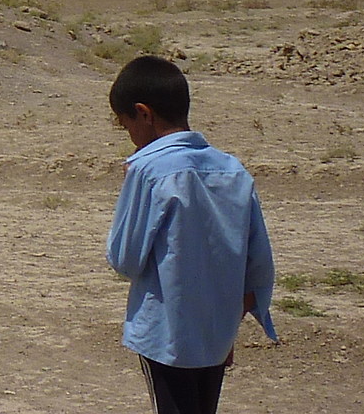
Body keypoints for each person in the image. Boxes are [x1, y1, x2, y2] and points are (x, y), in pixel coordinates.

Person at [105, 54, 276, 414]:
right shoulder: (233, 170)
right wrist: (229, 326)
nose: (130, 136)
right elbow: (258, 264)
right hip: (216, 334)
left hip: (167, 334)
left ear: (143, 113)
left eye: (126, 125)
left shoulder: (149, 171)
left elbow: (125, 260)